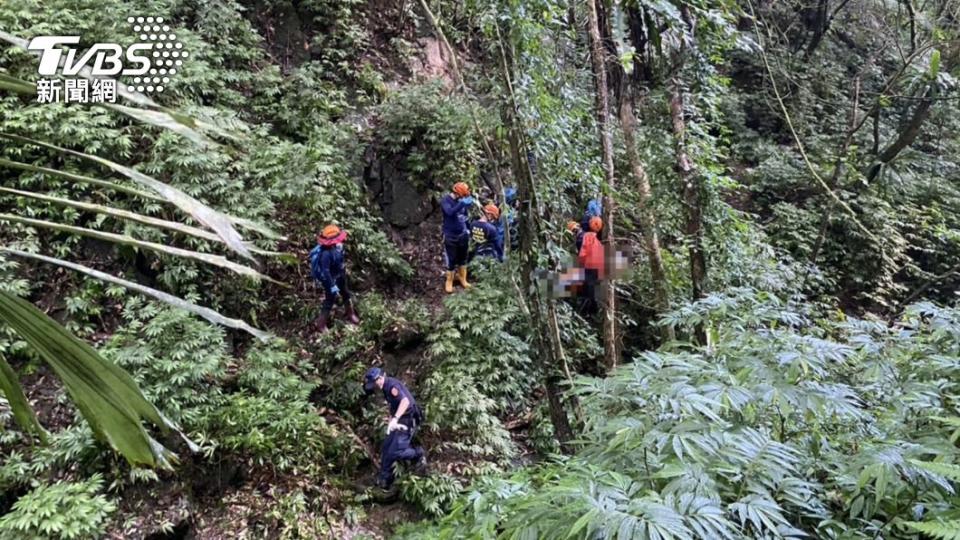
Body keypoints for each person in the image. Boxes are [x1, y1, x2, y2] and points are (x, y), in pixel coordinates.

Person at [363, 367, 426, 492]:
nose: (374, 387)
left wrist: (396, 418)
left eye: (375, 383)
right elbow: (394, 406)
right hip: (399, 420)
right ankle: (384, 480)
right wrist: (391, 421)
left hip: (408, 420)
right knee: (386, 448)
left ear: (380, 378)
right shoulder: (385, 388)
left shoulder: (392, 386)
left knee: (395, 452)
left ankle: (418, 454)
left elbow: (405, 402)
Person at [309, 224, 360, 333]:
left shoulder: (337, 247)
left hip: (340, 275)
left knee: (346, 293)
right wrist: (332, 285)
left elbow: (340, 260)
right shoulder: (325, 255)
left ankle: (350, 313)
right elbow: (325, 271)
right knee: (329, 300)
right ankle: (321, 324)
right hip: (330, 280)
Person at [440, 182, 474, 293]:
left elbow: (464, 216)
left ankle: (462, 278)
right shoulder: (446, 200)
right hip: (450, 235)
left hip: (463, 234)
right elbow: (449, 212)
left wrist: (469, 229)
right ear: (457, 193)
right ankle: (449, 281)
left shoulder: (461, 202)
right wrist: (461, 204)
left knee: (463, 258)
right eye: (463, 196)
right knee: (451, 259)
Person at [577, 216, 605, 315]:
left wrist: (581, 264)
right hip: (599, 266)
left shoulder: (586, 236)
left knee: (588, 290)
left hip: (589, 265)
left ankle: (585, 312)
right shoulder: (598, 237)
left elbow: (583, 252)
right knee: (592, 289)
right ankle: (593, 311)